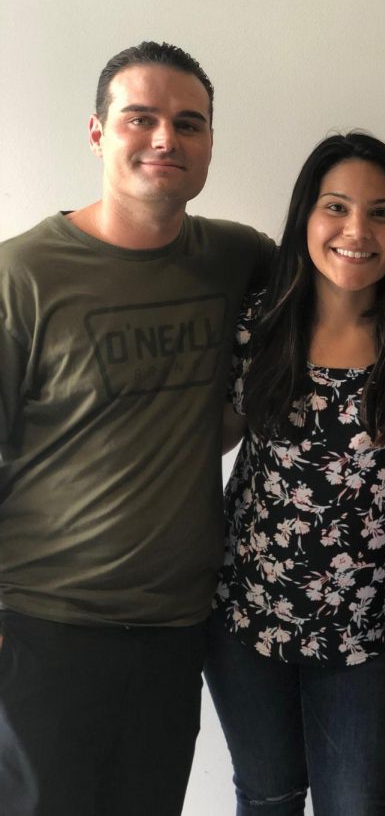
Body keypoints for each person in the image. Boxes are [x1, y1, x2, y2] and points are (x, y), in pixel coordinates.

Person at [0, 41, 274, 816]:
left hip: (174, 628)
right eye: (141, 118)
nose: (166, 139)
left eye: (189, 124)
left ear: (210, 143)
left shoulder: (234, 256)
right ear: (97, 131)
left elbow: (351, 270)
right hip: (43, 626)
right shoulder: (23, 275)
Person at [204, 132, 385, 816]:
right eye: (335, 207)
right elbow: (206, 436)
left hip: (365, 640)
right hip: (247, 620)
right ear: (305, 216)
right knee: (268, 798)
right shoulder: (260, 325)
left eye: (382, 213)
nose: (356, 231)